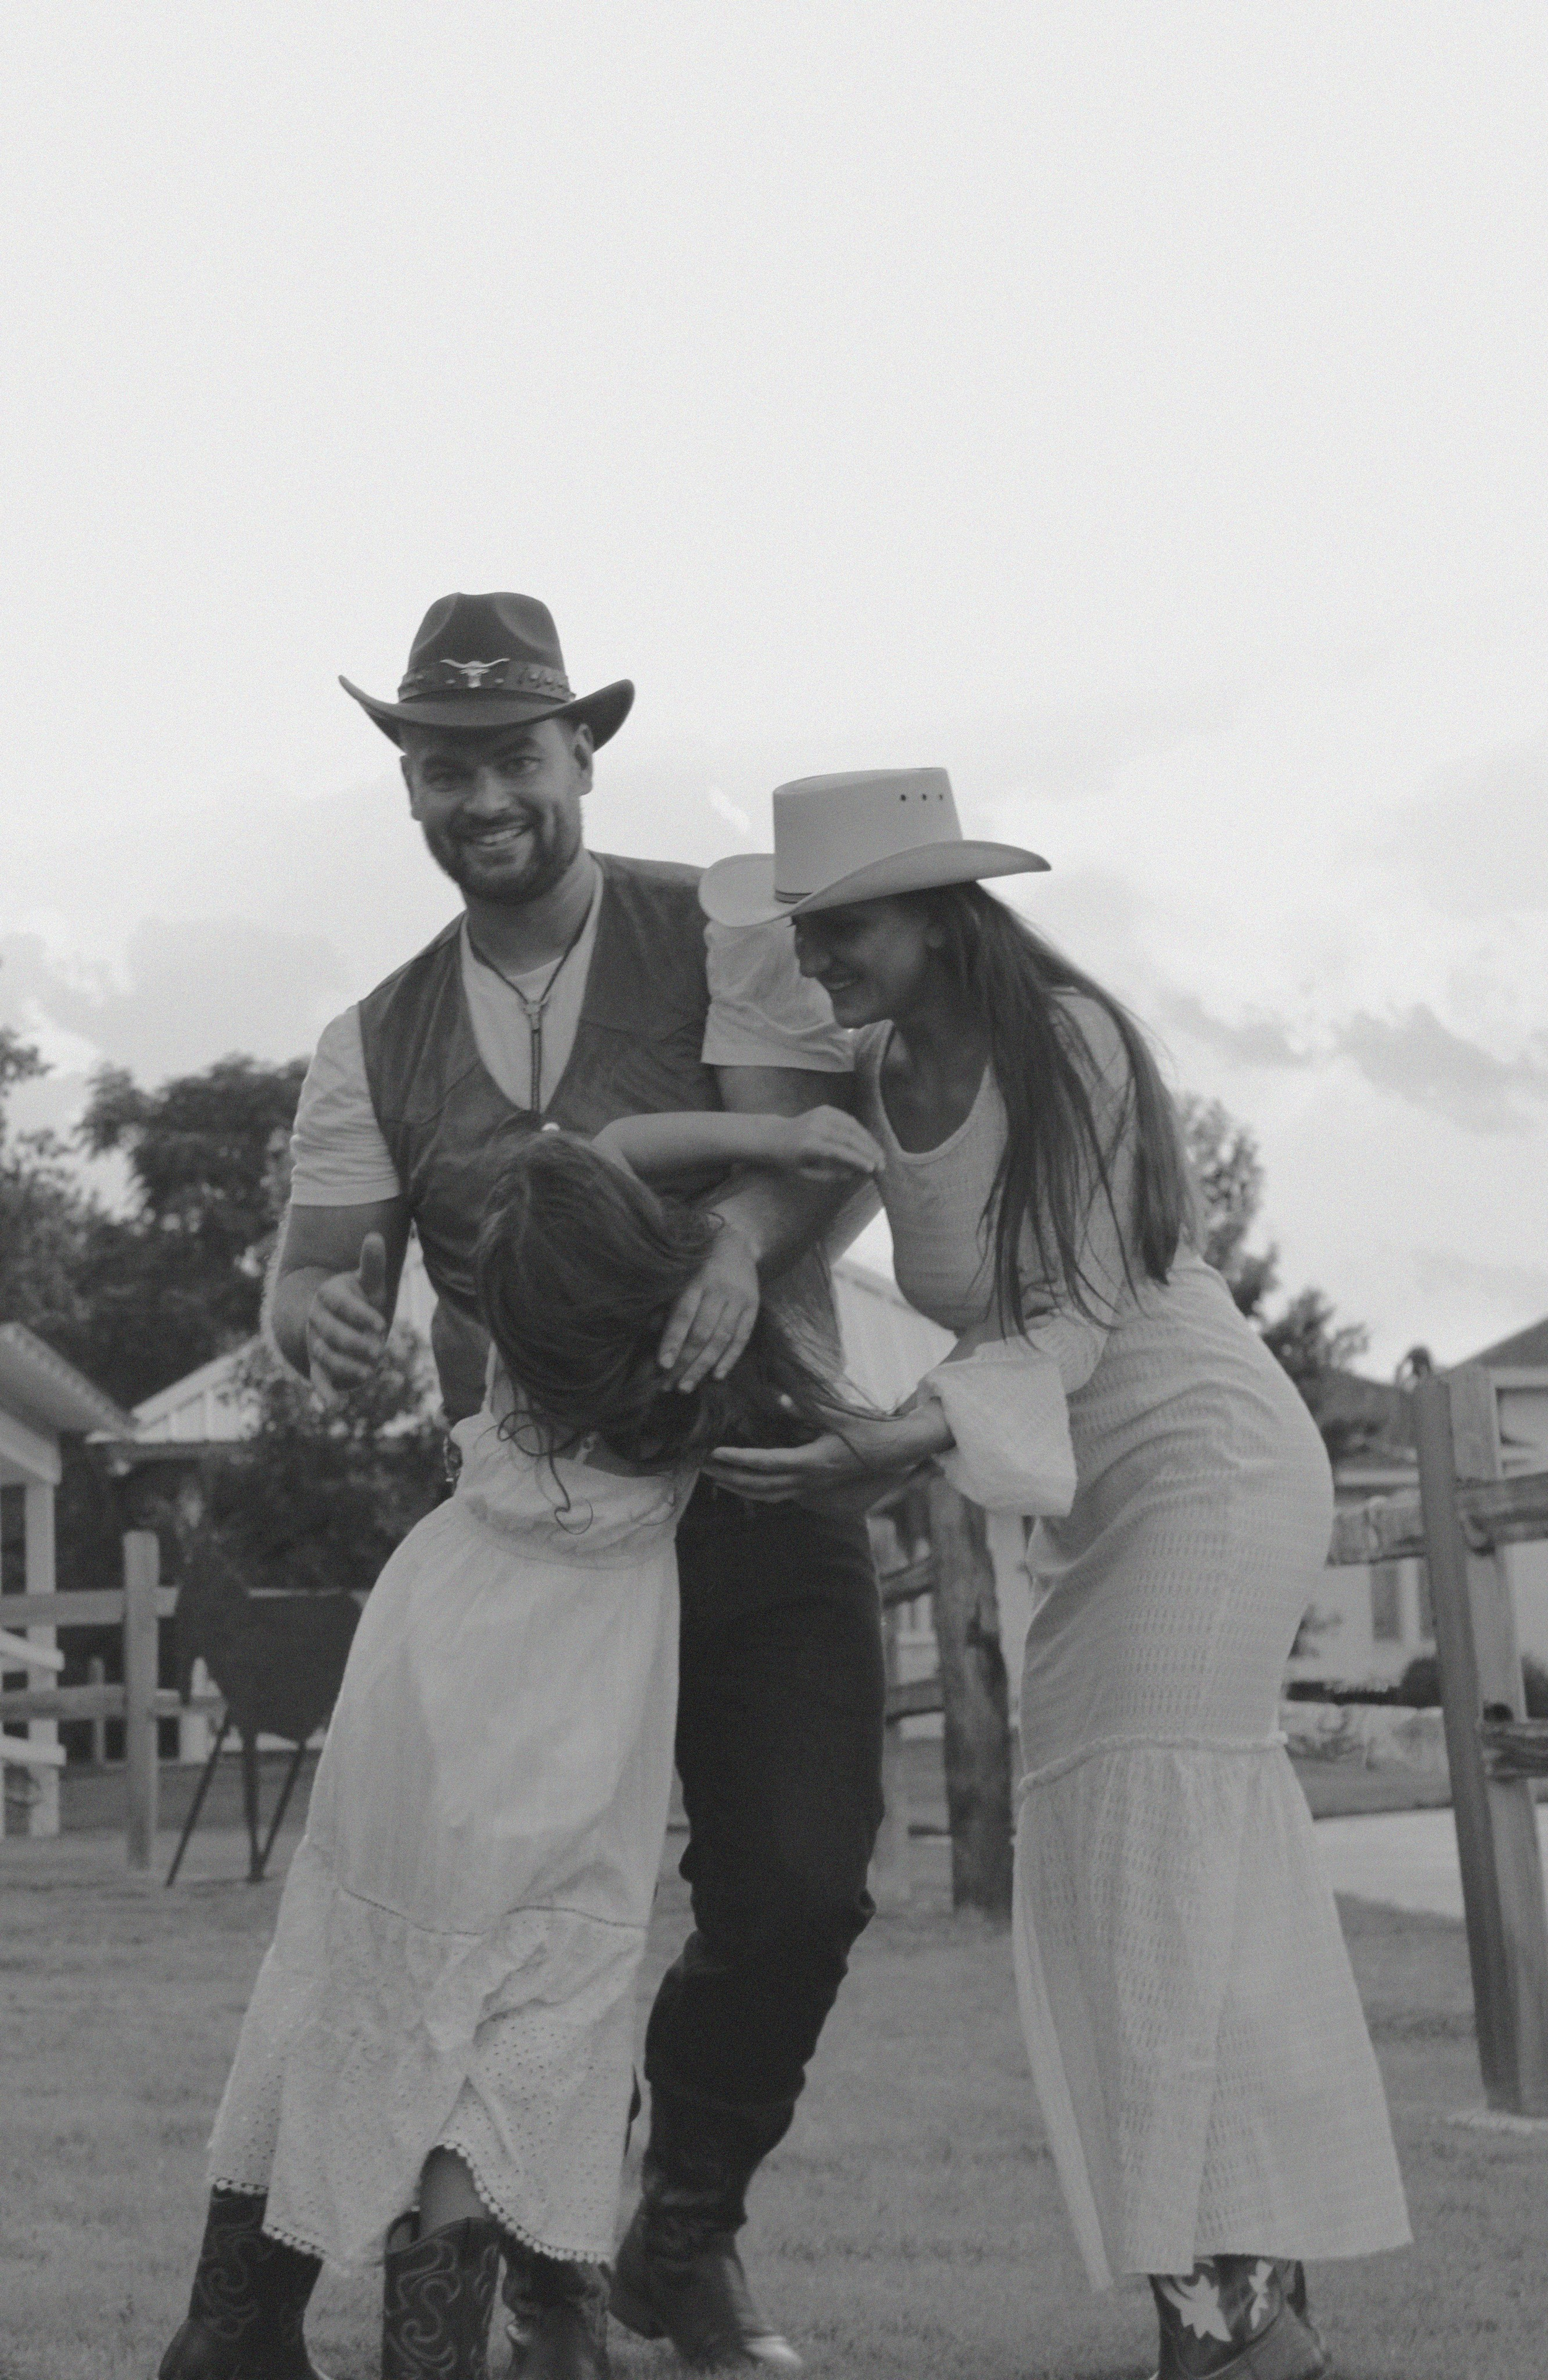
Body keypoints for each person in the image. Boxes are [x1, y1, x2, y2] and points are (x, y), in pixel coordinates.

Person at [701, 771, 1411, 2380]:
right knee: (1102, 1894)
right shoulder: (870, 1083)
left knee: (1170, 1867)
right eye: (805, 931)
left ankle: (1232, 2326)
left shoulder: (1070, 1045)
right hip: (1076, 1499)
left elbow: (1075, 1320)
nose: (819, 961)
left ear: (943, 911)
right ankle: (1238, 2320)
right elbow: (747, 1045)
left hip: (1199, 1458)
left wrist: (892, 1443)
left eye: (846, 928)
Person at [262, 594, 886, 2377]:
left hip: (762, 1478)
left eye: (512, 756)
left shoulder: (732, 928)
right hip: (536, 1549)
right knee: (513, 1939)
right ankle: (528, 2270)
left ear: (580, 755)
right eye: (441, 766)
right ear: (409, 783)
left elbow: (810, 1157)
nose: (480, 797)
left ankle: (678, 2239)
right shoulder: (368, 1040)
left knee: (793, 1891)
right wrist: (317, 1331)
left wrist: (740, 1252)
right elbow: (313, 1276)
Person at [156, 1111, 884, 2380]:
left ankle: (227, 2336)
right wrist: (769, 1167)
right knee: (510, 2040)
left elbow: (602, 1147)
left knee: (346, 1976)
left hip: (421, 1689)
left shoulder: (512, 1371)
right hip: (561, 1757)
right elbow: (608, 1176)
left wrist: (746, 1134)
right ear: (655, 1294)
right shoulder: (680, 1409)